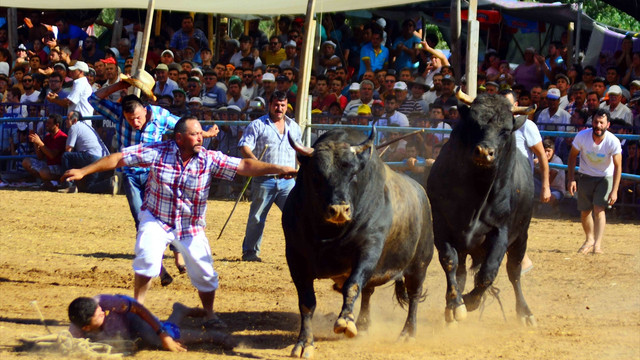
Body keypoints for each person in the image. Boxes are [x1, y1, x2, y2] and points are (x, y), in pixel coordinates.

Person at [63, 116, 297, 326]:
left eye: (201, 133)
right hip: (156, 218)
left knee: (205, 274)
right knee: (146, 256)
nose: (200, 138)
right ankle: (138, 306)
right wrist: (84, 171)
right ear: (179, 138)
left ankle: (209, 313)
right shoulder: (158, 151)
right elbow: (120, 158)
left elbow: (244, 165)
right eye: (194, 134)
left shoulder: (209, 158)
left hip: (191, 225)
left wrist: (278, 169)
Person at [239, 91, 302, 262]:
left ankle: (300, 252)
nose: (279, 108)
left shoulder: (294, 127)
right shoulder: (257, 125)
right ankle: (250, 252)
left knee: (296, 217)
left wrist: (302, 169)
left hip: (288, 182)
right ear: (270, 104)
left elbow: (299, 152)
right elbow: (244, 147)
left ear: (287, 105)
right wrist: (256, 165)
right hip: (263, 179)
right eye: (276, 104)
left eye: (282, 105)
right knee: (257, 217)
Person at [68, 295, 237, 352]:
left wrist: (163, 336)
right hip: (123, 331)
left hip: (132, 316)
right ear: (86, 327)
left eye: (100, 310)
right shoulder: (76, 329)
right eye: (98, 316)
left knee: (158, 338)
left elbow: (139, 310)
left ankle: (214, 336)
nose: (102, 313)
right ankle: (178, 311)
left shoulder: (108, 303)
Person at [567, 108, 622, 255]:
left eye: (601, 123)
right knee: (585, 211)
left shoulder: (613, 141)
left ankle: (597, 244)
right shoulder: (582, 136)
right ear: (592, 122)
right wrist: (571, 179)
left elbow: (618, 166)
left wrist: (615, 190)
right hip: (585, 175)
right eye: (596, 122)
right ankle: (589, 239)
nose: (598, 125)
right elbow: (572, 157)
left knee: (599, 209)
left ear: (608, 124)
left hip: (605, 177)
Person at [59, 111, 113, 194]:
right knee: (89, 187)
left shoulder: (74, 127)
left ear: (74, 120)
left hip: (92, 157)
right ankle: (109, 183)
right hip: (103, 159)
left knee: (66, 156)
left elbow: (68, 149)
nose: (65, 121)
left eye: (68, 119)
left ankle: (69, 185)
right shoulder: (86, 127)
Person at [22, 114, 67, 184]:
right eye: (47, 123)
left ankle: (57, 181)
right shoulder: (47, 137)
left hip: (59, 167)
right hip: (48, 165)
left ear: (57, 125)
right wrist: (35, 142)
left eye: (49, 123)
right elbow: (40, 157)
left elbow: (52, 155)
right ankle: (46, 181)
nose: (46, 125)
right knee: (26, 162)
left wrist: (40, 142)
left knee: (44, 172)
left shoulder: (62, 137)